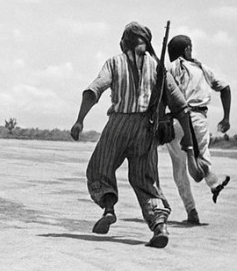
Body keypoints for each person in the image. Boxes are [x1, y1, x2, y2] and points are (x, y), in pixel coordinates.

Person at [70, 22, 196, 248]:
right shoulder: (158, 68)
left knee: (100, 168)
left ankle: (109, 208)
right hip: (147, 129)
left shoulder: (114, 62)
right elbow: (181, 106)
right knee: (146, 179)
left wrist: (80, 120)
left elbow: (93, 90)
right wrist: (187, 138)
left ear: (122, 43)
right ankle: (159, 226)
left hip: (119, 124)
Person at [164, 35, 230, 224]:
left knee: (179, 169)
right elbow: (225, 88)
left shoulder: (168, 69)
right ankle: (213, 182)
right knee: (199, 162)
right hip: (196, 118)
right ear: (186, 50)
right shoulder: (200, 67)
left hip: (174, 120)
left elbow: (160, 97)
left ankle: (191, 210)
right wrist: (225, 117)